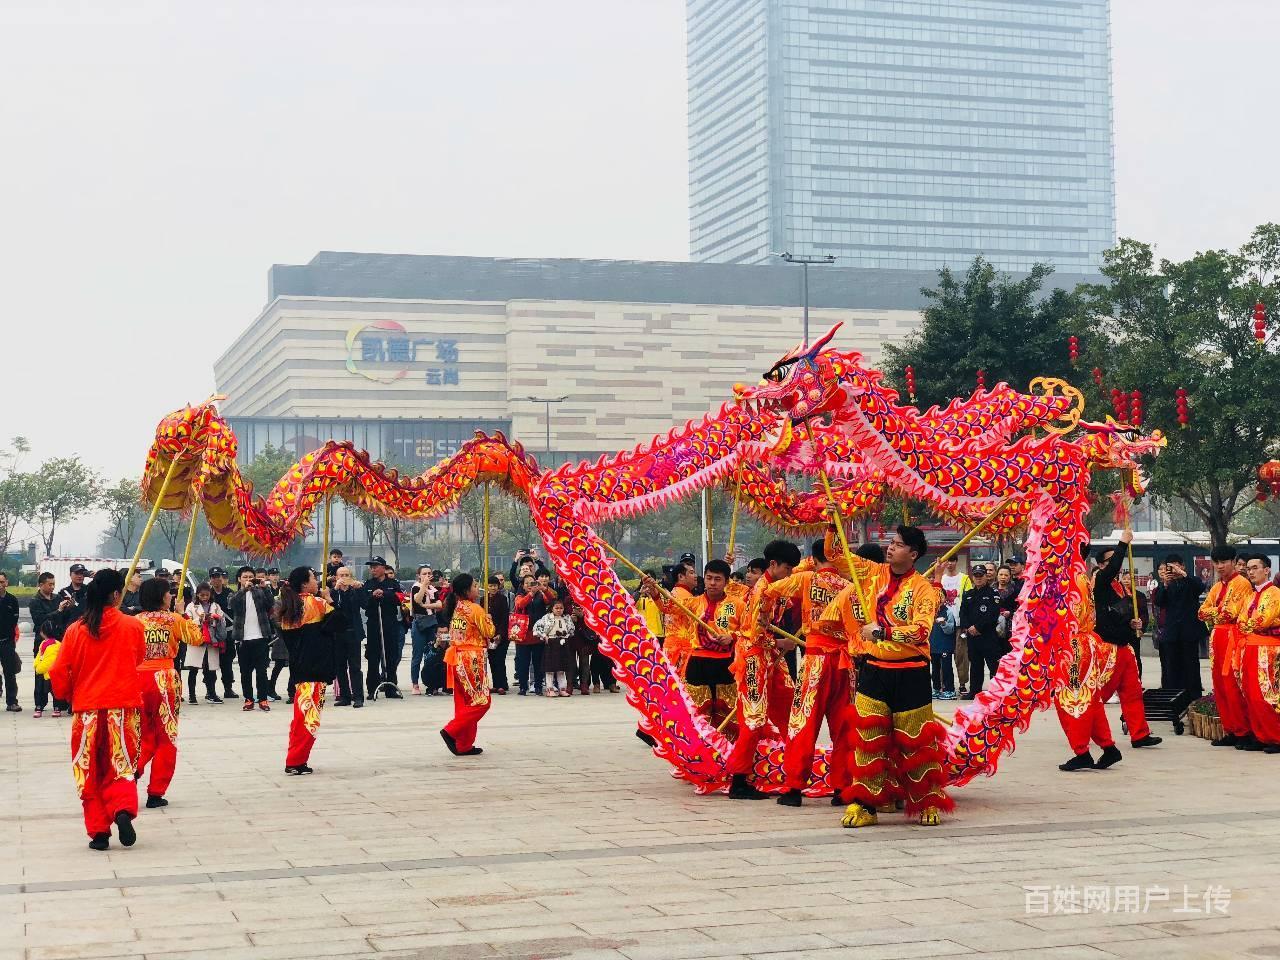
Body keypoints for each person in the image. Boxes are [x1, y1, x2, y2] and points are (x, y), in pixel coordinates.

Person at [822, 525, 950, 827]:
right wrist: (831, 523)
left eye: (898, 544)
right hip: (874, 670)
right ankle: (865, 804)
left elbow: (921, 631)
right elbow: (835, 555)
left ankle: (926, 801)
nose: (890, 548)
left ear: (913, 554)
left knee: (916, 741)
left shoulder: (923, 589)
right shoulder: (872, 573)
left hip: (911, 673)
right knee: (868, 738)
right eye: (890, 543)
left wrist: (882, 632)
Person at [49, 568, 146, 851]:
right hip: (123, 708)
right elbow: (137, 657)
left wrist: (68, 695)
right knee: (121, 765)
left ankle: (99, 831)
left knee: (88, 770)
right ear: (116, 595)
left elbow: (59, 670)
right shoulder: (132, 626)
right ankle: (123, 809)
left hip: (87, 711)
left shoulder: (76, 629)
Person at [1056, 532, 1162, 771]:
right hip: (1089, 645)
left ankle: (1082, 750)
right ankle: (1108, 746)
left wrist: (1123, 543)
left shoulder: (1071, 580)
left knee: (1073, 700)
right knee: (1091, 699)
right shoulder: (1080, 578)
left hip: (1076, 649)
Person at [759, 541, 852, 806]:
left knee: (803, 723)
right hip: (845, 665)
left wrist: (764, 619)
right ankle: (842, 788)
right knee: (843, 725)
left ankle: (794, 788)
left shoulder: (806, 579)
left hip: (815, 661)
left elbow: (768, 591)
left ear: (813, 558)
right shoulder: (849, 586)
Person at [648, 560, 743, 731]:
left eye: (718, 579)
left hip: (725, 665)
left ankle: (726, 751)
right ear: (704, 580)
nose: (712, 583)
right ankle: (701, 749)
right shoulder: (693, 603)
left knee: (727, 711)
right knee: (697, 711)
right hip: (697, 663)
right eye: (709, 578)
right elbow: (667, 607)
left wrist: (733, 637)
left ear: (726, 582)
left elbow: (749, 632)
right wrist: (655, 593)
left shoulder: (738, 605)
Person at [134, 577, 198, 808]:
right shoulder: (174, 619)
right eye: (168, 593)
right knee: (166, 736)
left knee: (144, 733)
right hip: (164, 678)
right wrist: (184, 614)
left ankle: (135, 766)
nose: (172, 595)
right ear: (162, 597)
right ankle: (156, 791)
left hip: (138, 679)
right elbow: (196, 637)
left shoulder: (135, 621)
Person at [274, 567, 341, 774]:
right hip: (315, 668)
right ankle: (295, 761)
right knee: (309, 718)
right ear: (304, 583)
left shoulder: (288, 605)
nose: (316, 582)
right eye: (314, 578)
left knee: (301, 717)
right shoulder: (316, 603)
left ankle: (296, 759)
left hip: (300, 668)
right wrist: (329, 599)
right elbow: (340, 622)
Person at [1197, 545, 1255, 747]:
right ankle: (1231, 729)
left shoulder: (1242, 584)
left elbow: (1230, 613)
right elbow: (1201, 612)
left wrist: (1215, 610)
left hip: (1233, 636)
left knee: (1233, 684)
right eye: (1217, 562)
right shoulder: (1217, 586)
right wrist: (1217, 610)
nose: (1220, 566)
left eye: (1224, 562)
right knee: (1220, 686)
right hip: (1218, 637)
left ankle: (1243, 731)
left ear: (1233, 561)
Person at [437, 572, 495, 755]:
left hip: (457, 657)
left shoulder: (457, 607)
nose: (477, 589)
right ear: (466, 590)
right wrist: (489, 620)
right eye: (475, 586)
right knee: (481, 701)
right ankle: (451, 730)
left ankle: (464, 745)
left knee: (464, 702)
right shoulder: (475, 609)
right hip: (471, 657)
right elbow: (490, 632)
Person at [1237, 554, 1280, 754]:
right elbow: (1241, 621)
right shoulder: (1251, 596)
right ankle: (1260, 734)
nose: (1251, 572)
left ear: (1267, 570)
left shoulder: (1274, 593)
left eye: (1255, 568)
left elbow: (1262, 620)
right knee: (1250, 693)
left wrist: (1249, 625)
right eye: (1249, 568)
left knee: (1267, 692)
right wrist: (1249, 625)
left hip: (1268, 649)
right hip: (1250, 648)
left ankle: (1275, 736)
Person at [1151, 553, 1207, 696]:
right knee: (1172, 667)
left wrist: (1183, 575)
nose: (1174, 570)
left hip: (1189, 632)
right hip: (1172, 633)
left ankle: (1193, 696)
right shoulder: (1166, 584)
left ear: (1182, 566)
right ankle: (1173, 697)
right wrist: (1165, 584)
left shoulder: (1191, 580)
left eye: (1176, 566)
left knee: (1191, 666)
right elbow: (1158, 601)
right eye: (1171, 567)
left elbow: (1200, 587)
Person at [228, 566, 276, 711]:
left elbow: (271, 604)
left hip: (260, 636)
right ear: (239, 579)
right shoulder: (235, 594)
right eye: (245, 577)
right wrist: (244, 589)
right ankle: (248, 699)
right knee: (245, 672)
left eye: (251, 577)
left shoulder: (260, 592)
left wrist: (265, 588)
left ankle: (263, 699)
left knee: (262, 671)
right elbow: (231, 604)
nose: (248, 580)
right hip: (243, 639)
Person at [363, 557, 405, 699]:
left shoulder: (393, 584)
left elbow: (400, 598)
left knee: (391, 656)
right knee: (373, 656)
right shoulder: (368, 584)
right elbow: (363, 602)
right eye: (372, 567)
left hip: (389, 623)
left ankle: (390, 687)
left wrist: (385, 594)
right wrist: (372, 596)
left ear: (383, 568)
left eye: (376, 566)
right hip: (374, 623)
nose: (373, 569)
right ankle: (372, 688)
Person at [958, 565, 1002, 698]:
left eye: (980, 575)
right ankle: (974, 691)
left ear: (986, 577)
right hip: (972, 636)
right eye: (976, 576)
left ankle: (996, 692)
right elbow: (963, 613)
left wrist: (978, 627)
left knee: (993, 665)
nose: (978, 578)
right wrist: (968, 627)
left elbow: (993, 615)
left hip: (988, 636)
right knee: (976, 665)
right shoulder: (968, 595)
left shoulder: (993, 594)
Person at [30, 573, 68, 717]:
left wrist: (66, 608)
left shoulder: (57, 598)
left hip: (58, 640)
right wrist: (58, 610)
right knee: (40, 672)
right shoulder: (35, 601)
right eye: (49, 584)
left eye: (53, 584)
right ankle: (39, 704)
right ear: (41, 585)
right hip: (43, 641)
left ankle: (58, 704)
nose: (52, 587)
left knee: (57, 673)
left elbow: (63, 618)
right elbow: (40, 620)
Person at [330, 567, 367, 708]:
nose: (344, 577)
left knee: (355, 666)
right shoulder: (334, 592)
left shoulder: (355, 590)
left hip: (353, 632)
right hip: (338, 633)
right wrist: (335, 589)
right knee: (340, 666)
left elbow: (365, 604)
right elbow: (329, 606)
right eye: (341, 575)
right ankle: (345, 696)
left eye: (347, 575)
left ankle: (358, 696)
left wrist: (359, 588)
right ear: (336, 577)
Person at [184, 583, 226, 704]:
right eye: (202, 595)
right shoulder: (191, 606)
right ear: (197, 595)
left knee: (211, 669)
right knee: (193, 668)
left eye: (207, 595)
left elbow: (221, 619)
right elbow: (187, 622)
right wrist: (201, 619)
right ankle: (192, 695)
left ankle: (211, 693)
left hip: (212, 639)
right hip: (197, 639)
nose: (205, 597)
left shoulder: (215, 606)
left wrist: (214, 619)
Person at [935, 558, 972, 695]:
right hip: (943, 622)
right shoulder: (941, 579)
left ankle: (962, 684)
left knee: (961, 655)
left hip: (960, 624)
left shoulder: (964, 579)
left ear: (957, 561)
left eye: (952, 561)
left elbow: (969, 600)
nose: (949, 564)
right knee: (940, 655)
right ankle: (942, 684)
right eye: (947, 561)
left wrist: (966, 623)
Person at [514, 574, 555, 696]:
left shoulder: (541, 595)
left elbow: (551, 600)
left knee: (538, 663)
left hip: (538, 635)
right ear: (522, 585)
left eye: (532, 583)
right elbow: (520, 605)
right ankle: (523, 687)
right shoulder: (519, 596)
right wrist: (531, 594)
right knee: (523, 664)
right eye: (527, 583)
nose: (529, 585)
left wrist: (544, 589)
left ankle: (538, 686)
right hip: (523, 636)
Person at [659, 561, 699, 679]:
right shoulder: (683, 595)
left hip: (674, 647)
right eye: (691, 573)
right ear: (681, 576)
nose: (696, 576)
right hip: (680, 650)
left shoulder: (680, 593)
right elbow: (666, 609)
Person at [409, 565, 442, 696]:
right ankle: (415, 683)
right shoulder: (416, 587)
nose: (427, 576)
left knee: (431, 654)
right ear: (419, 575)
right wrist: (424, 585)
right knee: (417, 655)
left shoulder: (434, 589)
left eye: (429, 573)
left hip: (431, 622)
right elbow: (417, 599)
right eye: (424, 573)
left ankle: (431, 683)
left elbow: (439, 604)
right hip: (419, 622)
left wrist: (425, 605)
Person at [206, 567, 238, 700]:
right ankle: (210, 690)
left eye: (218, 576)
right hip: (211, 633)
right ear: (210, 579)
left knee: (227, 662)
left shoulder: (230, 593)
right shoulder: (207, 594)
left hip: (227, 633)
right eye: (213, 576)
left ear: (222, 577)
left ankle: (228, 688)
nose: (216, 579)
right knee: (210, 663)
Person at [534, 599, 575, 696]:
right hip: (551, 643)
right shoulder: (547, 618)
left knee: (562, 669)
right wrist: (544, 636)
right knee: (550, 669)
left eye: (561, 608)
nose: (559, 610)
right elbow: (536, 627)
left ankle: (562, 689)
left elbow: (572, 629)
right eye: (556, 608)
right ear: (552, 608)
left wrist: (567, 635)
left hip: (563, 643)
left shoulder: (566, 618)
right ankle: (549, 689)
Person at [486, 575, 511, 695]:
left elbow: (504, 618)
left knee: (500, 660)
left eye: (495, 586)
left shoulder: (502, 599)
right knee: (492, 660)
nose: (493, 588)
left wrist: (500, 634)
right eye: (490, 586)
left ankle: (502, 685)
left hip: (501, 635)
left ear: (498, 586)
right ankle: (495, 684)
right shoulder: (483, 600)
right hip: (489, 636)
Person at [57, 563, 92, 628]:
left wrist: (96, 576)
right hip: (69, 629)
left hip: (86, 628)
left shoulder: (89, 590)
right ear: (70, 575)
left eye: (82, 573)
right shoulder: (63, 593)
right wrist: (68, 608)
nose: (79, 576)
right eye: (76, 573)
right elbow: (59, 616)